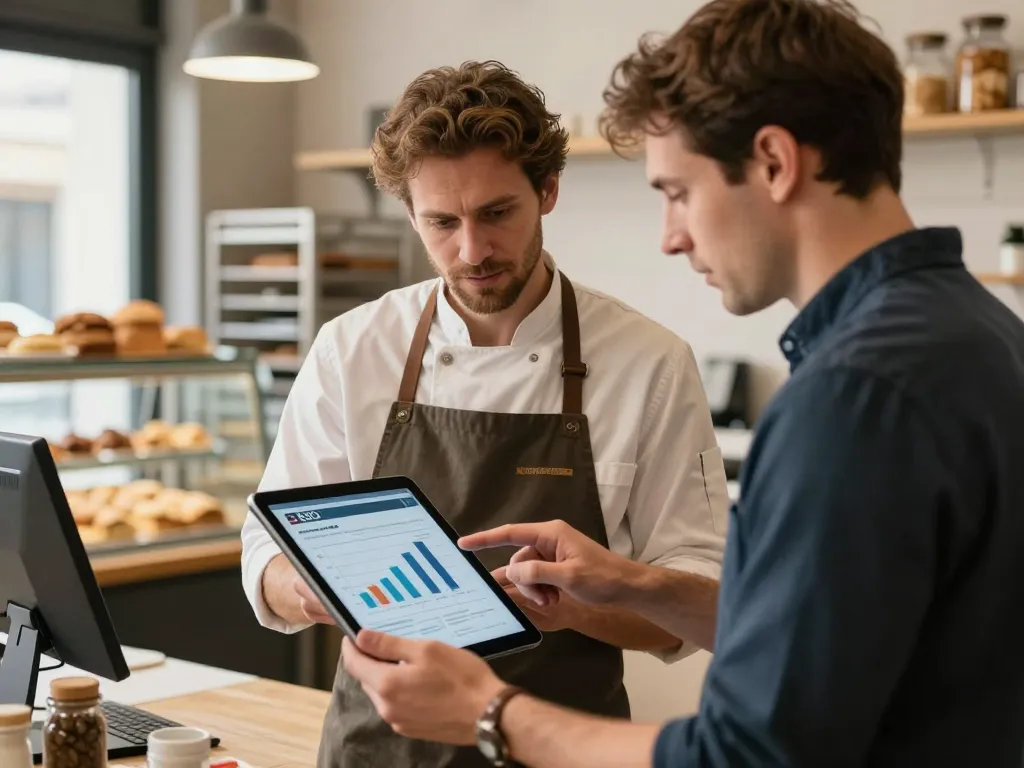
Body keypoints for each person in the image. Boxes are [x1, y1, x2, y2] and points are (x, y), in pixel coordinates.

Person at [340, 0, 1024, 766]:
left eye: (676, 191)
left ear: (773, 161)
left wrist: (489, 712)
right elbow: (843, 635)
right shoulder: (981, 334)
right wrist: (633, 585)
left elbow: (748, 755)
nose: (671, 236)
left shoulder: (851, 395)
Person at [240, 60, 730, 767]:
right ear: (411, 214)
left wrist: (577, 606)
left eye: (497, 213)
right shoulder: (352, 349)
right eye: (441, 222)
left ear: (548, 191)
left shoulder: (648, 363)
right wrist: (318, 591)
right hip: (377, 751)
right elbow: (265, 556)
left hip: (565, 750)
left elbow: (697, 601)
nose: (472, 251)